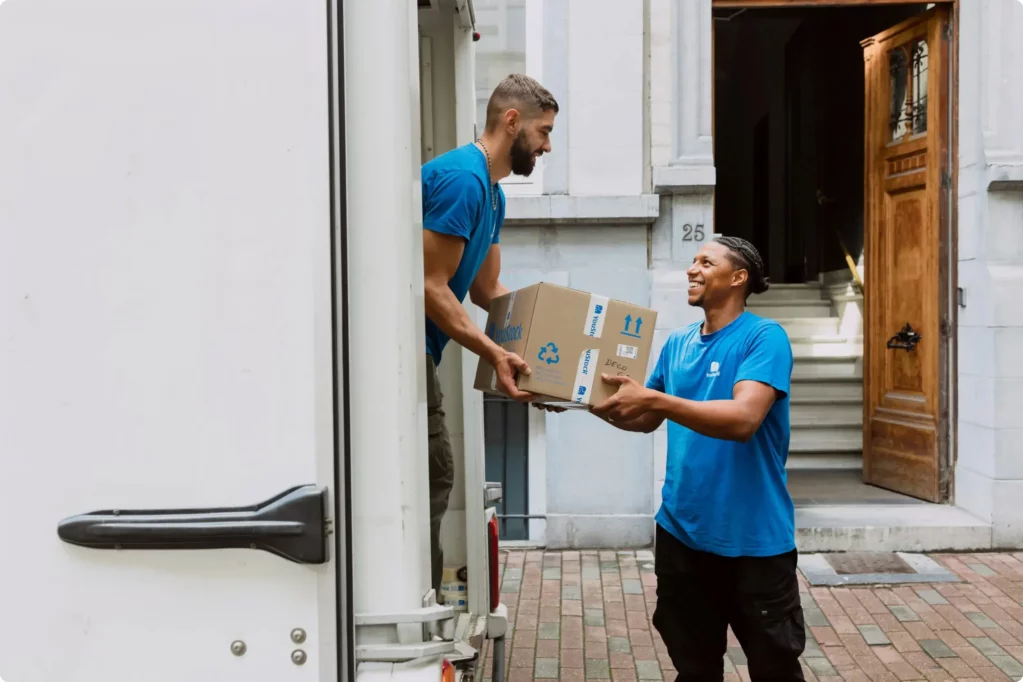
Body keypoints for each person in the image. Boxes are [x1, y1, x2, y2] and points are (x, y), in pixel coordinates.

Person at [590, 236, 805, 682]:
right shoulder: (678, 342)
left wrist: (656, 399)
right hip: (682, 534)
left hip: (753, 542)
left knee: (775, 670)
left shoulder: (764, 337)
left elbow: (744, 419)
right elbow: (645, 418)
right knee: (694, 669)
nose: (692, 269)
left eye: (706, 262)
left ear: (738, 277)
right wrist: (582, 402)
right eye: (692, 261)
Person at [421, 74, 560, 597]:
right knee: (435, 476)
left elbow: (487, 290)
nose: (547, 146)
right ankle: (423, 604)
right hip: (403, 355)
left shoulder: (493, 194)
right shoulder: (463, 180)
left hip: (424, 355)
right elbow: (431, 287)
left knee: (434, 477)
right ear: (512, 121)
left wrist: (553, 361)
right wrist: (495, 353)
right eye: (544, 132)